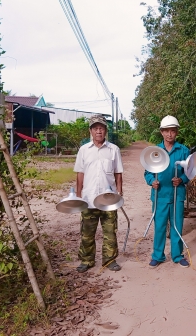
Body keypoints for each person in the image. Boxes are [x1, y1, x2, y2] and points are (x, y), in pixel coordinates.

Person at [74, 114, 124, 273]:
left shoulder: (113, 150)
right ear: (90, 131)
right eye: (95, 128)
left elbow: (118, 173)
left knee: (110, 232)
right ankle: (86, 260)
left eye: (101, 128)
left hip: (109, 199)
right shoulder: (83, 150)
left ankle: (109, 260)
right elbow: (80, 173)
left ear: (105, 131)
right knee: (87, 232)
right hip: (88, 198)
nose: (98, 131)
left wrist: (120, 193)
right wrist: (78, 194)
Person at [144, 115, 191, 268]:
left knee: (177, 225)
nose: (170, 134)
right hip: (160, 195)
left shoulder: (183, 150)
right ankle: (158, 255)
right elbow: (148, 173)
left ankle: (177, 256)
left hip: (177, 194)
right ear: (161, 132)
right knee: (160, 226)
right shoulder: (155, 151)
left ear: (177, 132)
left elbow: (190, 171)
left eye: (173, 130)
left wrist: (182, 179)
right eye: (166, 131)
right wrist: (152, 182)